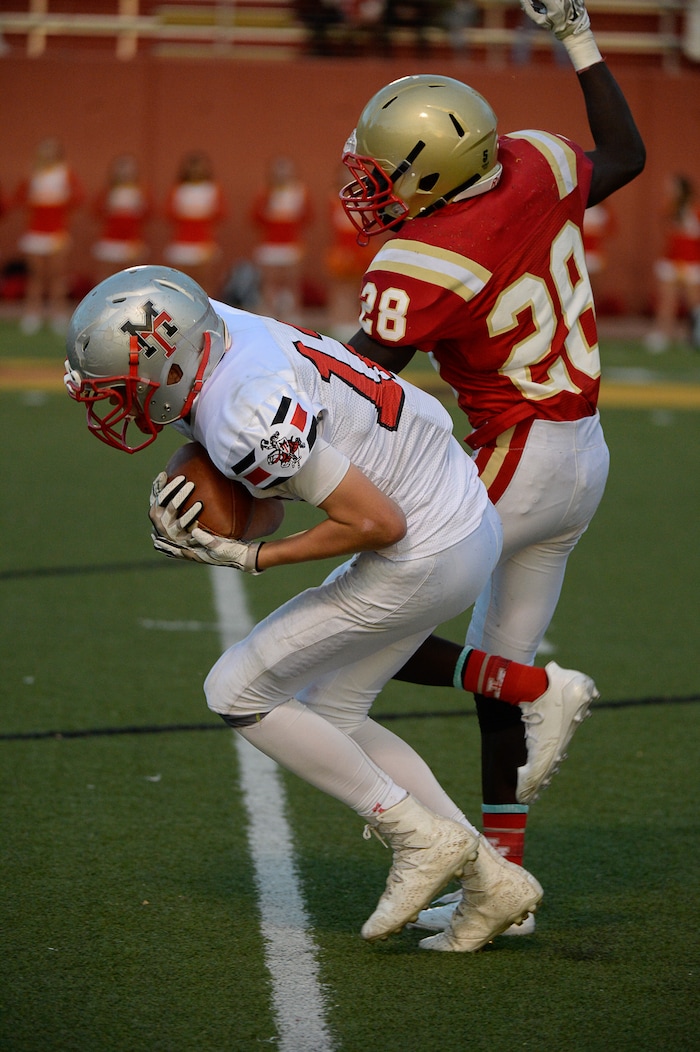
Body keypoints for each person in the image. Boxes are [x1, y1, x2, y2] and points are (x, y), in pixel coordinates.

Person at [63, 265, 599, 951]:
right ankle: (493, 882)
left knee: (235, 689)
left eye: (123, 389)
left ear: (167, 367)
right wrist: (248, 511)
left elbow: (376, 524)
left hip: (424, 542)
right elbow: (295, 484)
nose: (116, 405)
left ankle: (418, 839)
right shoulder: (217, 325)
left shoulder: (241, 415)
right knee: (331, 714)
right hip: (454, 499)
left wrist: (251, 556)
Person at [337, 0, 645, 937]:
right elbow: (625, 156)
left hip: (521, 456)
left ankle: (544, 690)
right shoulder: (531, 162)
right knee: (490, 670)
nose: (369, 187)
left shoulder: (430, 254)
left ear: (432, 171)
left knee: (349, 644)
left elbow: (356, 382)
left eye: (384, 172)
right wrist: (579, 38)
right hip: (581, 455)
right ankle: (501, 888)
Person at [14, 136, 84, 335]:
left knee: (57, 276)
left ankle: (59, 314)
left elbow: (79, 198)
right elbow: (19, 198)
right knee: (35, 276)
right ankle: (32, 314)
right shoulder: (32, 174)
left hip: (57, 233)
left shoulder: (66, 174)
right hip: (35, 233)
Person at [250, 155, 312, 320]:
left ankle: (293, 316)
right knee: (270, 282)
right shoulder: (265, 192)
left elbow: (307, 217)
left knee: (292, 282)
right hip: (269, 245)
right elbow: (255, 217)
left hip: (292, 245)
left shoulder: (299, 191)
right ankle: (269, 315)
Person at [644, 173, 700, 354]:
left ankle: (693, 335)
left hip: (691, 261)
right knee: (667, 301)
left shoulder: (696, 209)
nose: (669, 189)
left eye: (673, 186)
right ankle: (662, 334)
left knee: (694, 302)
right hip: (671, 260)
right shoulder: (670, 208)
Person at [164, 150, 226, 293]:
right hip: (181, 242)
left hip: (204, 242)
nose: (196, 170)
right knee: (180, 282)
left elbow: (221, 213)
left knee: (205, 282)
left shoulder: (213, 189)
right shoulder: (178, 189)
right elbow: (168, 212)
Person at [92, 154, 151, 284]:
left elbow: (149, 213)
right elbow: (96, 212)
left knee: (133, 277)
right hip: (111, 238)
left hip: (132, 239)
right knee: (107, 278)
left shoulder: (141, 191)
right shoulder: (108, 191)